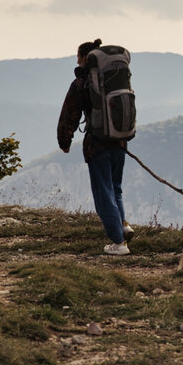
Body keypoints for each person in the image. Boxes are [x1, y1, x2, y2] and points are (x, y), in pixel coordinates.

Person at [57, 38, 135, 255]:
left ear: (84, 58)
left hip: (97, 144)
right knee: (115, 188)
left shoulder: (83, 82)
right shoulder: (115, 78)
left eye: (78, 57)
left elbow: (69, 114)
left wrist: (64, 141)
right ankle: (123, 225)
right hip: (120, 140)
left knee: (104, 193)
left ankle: (118, 243)